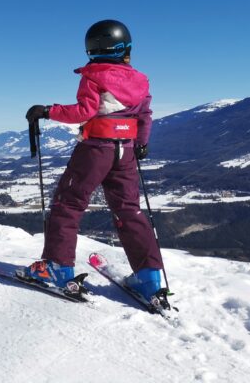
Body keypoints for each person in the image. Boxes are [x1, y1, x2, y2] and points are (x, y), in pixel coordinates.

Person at [24, 19, 164, 300]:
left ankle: (57, 267)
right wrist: (141, 144)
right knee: (128, 210)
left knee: (69, 203)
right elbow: (144, 116)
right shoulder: (140, 80)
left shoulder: (93, 76)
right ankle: (149, 278)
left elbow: (83, 112)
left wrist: (47, 111)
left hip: (96, 149)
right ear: (126, 49)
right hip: (126, 149)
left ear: (91, 50)